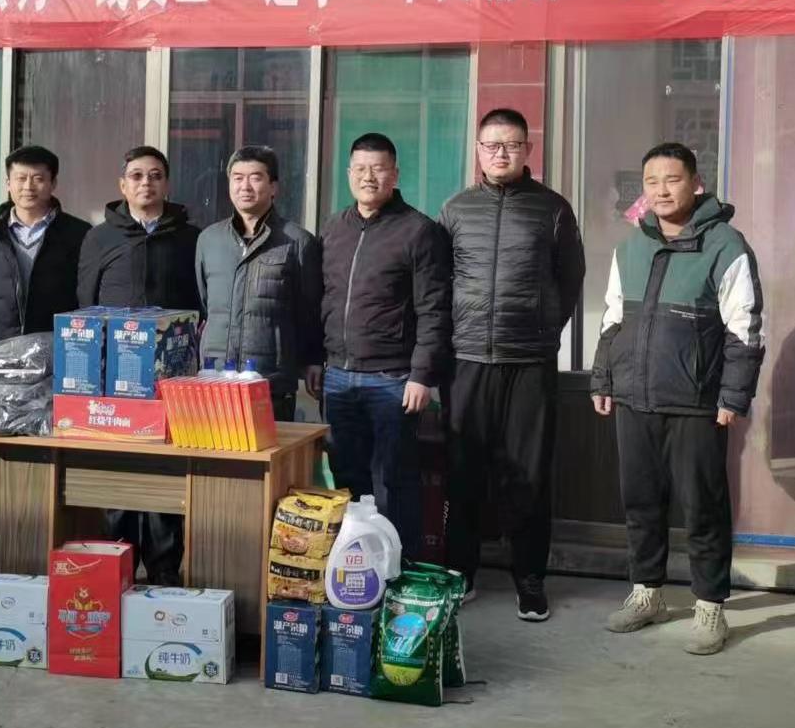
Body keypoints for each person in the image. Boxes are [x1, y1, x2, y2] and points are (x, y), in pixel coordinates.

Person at [589, 142, 764, 656]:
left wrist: (733, 395)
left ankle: (710, 605)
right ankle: (647, 593)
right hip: (635, 397)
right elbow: (613, 319)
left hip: (696, 400)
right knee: (641, 501)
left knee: (703, 505)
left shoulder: (725, 245)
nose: (661, 190)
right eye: (652, 182)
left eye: (672, 179)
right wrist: (603, 380)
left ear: (695, 183)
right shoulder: (631, 246)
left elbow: (745, 328)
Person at [438, 109, 584, 622]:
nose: (501, 153)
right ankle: (461, 572)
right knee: (463, 471)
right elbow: (440, 282)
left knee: (529, 473)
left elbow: (570, 279)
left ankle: (530, 579)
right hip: (467, 359)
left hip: (529, 361)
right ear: (478, 150)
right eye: (492, 145)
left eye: (512, 145)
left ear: (528, 150)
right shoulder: (455, 209)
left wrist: (543, 330)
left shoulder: (553, 209)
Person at [319, 132, 451, 557]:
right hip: (338, 377)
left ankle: (399, 567)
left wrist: (421, 375)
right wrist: (315, 360)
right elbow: (322, 297)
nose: (368, 177)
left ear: (395, 175)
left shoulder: (418, 231)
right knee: (346, 477)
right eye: (360, 169)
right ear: (348, 174)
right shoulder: (334, 228)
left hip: (393, 379)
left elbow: (434, 309)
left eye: (378, 169)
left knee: (394, 479)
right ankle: (354, 564)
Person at [78, 146, 201, 586]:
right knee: (119, 476)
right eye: (136, 175)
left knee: (166, 476)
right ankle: (119, 568)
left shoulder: (191, 237)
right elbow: (85, 303)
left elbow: (200, 302)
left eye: (154, 175)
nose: (145, 183)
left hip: (173, 378)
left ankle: (165, 570)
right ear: (122, 184)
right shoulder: (99, 238)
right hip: (115, 380)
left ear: (166, 183)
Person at [195, 145, 324, 422]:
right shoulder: (209, 240)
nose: (245, 186)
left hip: (270, 380)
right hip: (215, 378)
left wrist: (312, 359)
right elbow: (206, 303)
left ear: (273, 187)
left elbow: (310, 310)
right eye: (237, 178)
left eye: (255, 178)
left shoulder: (297, 241)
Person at [0, 145, 92, 351]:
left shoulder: (79, 234)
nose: (28, 187)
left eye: (38, 179)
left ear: (53, 183)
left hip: (56, 352)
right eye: (20, 178)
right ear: (8, 184)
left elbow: (88, 302)